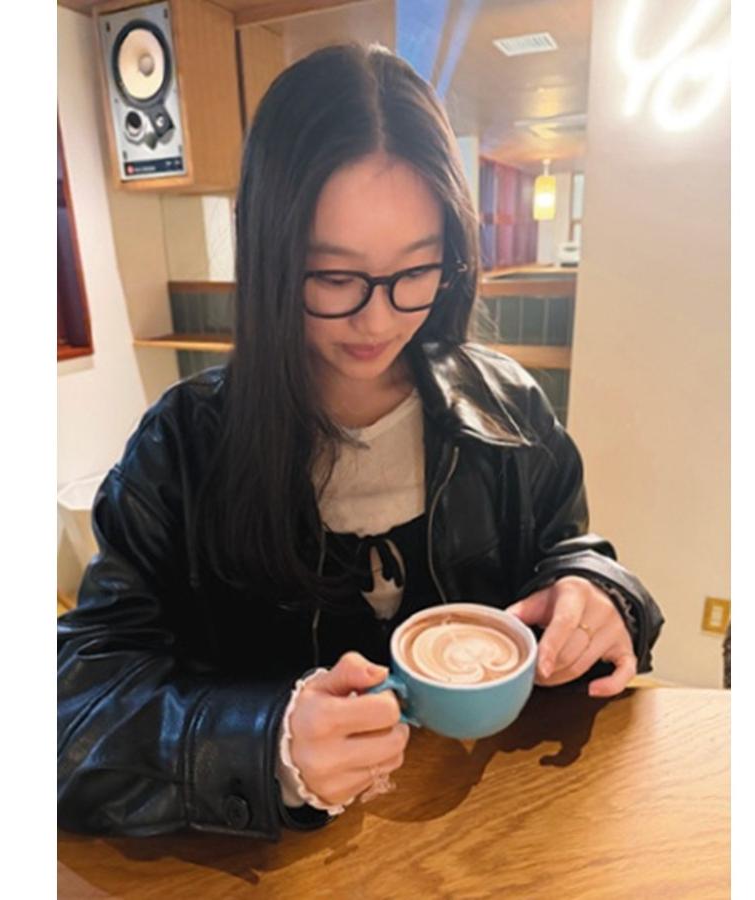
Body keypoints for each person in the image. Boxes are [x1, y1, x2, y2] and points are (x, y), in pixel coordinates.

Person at [57, 42, 664, 841]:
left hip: (483, 838)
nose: (378, 319)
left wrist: (602, 593)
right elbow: (72, 708)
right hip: (271, 867)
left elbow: (567, 552)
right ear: (268, 254)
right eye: (333, 276)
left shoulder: (509, 407)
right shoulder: (180, 450)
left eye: (416, 270)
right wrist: (264, 745)